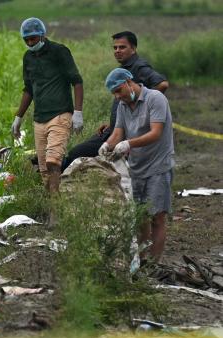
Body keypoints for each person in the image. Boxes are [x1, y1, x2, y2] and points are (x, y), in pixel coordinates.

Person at [62, 31, 169, 170]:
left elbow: (162, 84)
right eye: (115, 48)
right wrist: (115, 121)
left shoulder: (139, 66)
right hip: (115, 128)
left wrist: (141, 112)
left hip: (127, 133)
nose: (117, 51)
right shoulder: (123, 68)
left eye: (122, 47)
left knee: (79, 155)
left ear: (134, 48)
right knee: (79, 154)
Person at [99, 68, 175, 261]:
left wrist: (129, 144)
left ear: (128, 82)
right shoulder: (123, 106)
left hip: (158, 165)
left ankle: (154, 263)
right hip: (136, 167)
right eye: (114, 93)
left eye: (118, 91)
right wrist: (107, 145)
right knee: (140, 217)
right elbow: (118, 132)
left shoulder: (155, 99)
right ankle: (141, 260)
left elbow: (156, 132)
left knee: (157, 216)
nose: (117, 97)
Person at [11, 17, 83, 200]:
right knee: (44, 170)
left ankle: (54, 214)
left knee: (53, 161)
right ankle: (56, 205)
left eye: (33, 39)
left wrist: (78, 112)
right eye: (26, 40)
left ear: (42, 35)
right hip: (39, 118)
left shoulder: (59, 52)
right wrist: (18, 117)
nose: (29, 43)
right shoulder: (28, 58)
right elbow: (29, 89)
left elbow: (77, 81)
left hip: (60, 113)